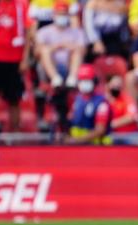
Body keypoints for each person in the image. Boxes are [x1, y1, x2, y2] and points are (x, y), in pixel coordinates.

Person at [34, 0, 85, 133]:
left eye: (64, 14)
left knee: (76, 52)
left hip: (69, 68)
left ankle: (72, 79)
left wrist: (69, 47)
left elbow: (83, 51)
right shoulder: (44, 32)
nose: (62, 16)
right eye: (59, 13)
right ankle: (55, 78)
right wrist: (54, 47)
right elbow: (37, 53)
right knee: (45, 51)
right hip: (49, 70)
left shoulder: (76, 32)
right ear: (54, 15)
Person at [0, 0, 31, 133]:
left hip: (15, 59)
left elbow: (28, 31)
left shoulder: (21, 5)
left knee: (14, 98)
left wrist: (25, 58)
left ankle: (15, 131)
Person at [66, 64, 112, 144]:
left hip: (97, 147)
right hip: (79, 147)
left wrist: (77, 140)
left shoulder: (101, 103)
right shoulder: (77, 99)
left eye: (87, 80)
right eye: (82, 80)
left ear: (94, 81)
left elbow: (100, 130)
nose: (84, 83)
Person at [105, 74, 138, 145]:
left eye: (119, 85)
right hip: (111, 134)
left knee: (137, 140)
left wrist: (111, 124)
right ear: (107, 84)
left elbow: (132, 116)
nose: (116, 87)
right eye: (114, 84)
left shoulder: (126, 98)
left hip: (129, 134)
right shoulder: (103, 100)